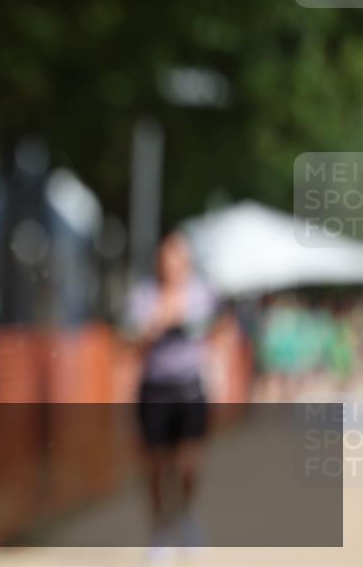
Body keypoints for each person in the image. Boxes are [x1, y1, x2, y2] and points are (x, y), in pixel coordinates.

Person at [127, 231, 218, 562]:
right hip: (155, 389)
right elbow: (134, 341)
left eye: (178, 260)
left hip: (190, 388)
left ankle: (185, 513)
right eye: (166, 260)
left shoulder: (201, 293)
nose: (172, 266)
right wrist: (159, 321)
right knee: (154, 465)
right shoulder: (144, 295)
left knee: (188, 463)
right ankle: (160, 529)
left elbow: (210, 330)